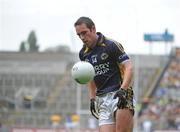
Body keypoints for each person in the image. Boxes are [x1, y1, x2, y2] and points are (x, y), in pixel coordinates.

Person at [74, 16, 134, 132]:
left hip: (120, 94)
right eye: (79, 35)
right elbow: (90, 76)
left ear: (93, 29)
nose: (82, 37)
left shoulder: (111, 45)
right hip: (102, 99)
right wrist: (92, 98)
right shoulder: (83, 54)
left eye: (84, 33)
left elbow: (129, 67)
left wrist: (123, 89)